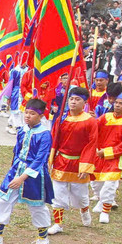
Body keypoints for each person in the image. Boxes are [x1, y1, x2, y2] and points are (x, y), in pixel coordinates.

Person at [0, 98, 54, 244]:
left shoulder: (45, 134)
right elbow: (17, 151)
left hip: (34, 175)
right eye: (26, 112)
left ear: (40, 116)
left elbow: (40, 159)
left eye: (32, 113)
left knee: (36, 205)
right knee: (3, 199)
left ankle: (43, 238)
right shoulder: (23, 129)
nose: (27, 116)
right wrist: (14, 171)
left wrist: (23, 177)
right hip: (16, 169)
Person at [47, 87, 97, 235]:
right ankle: (58, 224)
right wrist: (50, 159)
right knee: (58, 194)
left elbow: (91, 144)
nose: (73, 102)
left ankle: (84, 209)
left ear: (84, 103)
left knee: (80, 195)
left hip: (79, 163)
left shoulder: (90, 121)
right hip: (61, 162)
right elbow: (53, 140)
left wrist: (86, 166)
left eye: (77, 99)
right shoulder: (61, 119)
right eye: (71, 99)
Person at [91, 92, 122, 224]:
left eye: (121, 104)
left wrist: (107, 152)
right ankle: (100, 200)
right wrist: (91, 120)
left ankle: (105, 211)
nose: (117, 105)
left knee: (109, 185)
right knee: (96, 183)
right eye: (116, 103)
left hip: (114, 157)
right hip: (98, 155)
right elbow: (94, 129)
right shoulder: (105, 117)